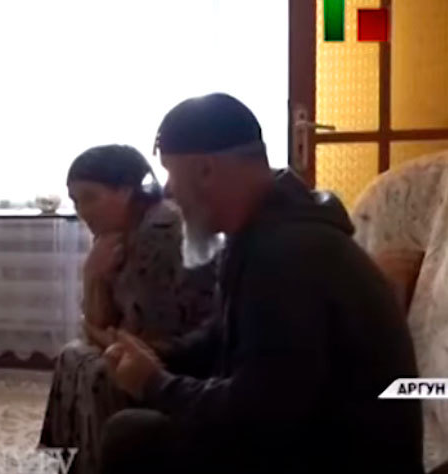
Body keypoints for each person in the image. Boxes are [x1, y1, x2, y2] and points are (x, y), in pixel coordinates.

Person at [98, 93, 423, 474]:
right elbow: (223, 338)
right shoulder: (264, 231)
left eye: (170, 171)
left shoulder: (287, 255)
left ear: (205, 170)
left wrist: (155, 383)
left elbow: (258, 415)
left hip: (337, 458)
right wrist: (161, 357)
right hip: (304, 439)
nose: (168, 191)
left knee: (132, 437)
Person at [39, 145, 217, 474]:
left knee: (97, 369)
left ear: (126, 191)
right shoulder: (115, 235)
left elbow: (139, 340)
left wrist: (98, 326)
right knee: (72, 356)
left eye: (91, 198)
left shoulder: (160, 233)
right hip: (151, 346)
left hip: (193, 360)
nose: (83, 212)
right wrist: (92, 276)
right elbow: (100, 324)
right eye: (76, 201)